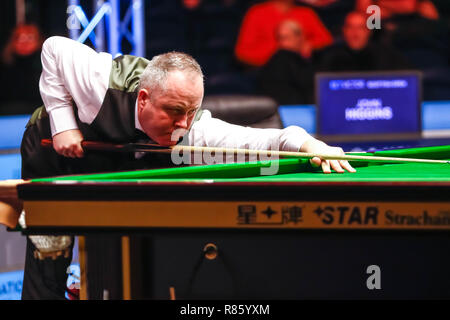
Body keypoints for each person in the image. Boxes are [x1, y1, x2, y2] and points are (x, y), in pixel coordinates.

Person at [19, 36, 355, 299]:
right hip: (56, 152)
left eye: (191, 111)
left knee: (126, 253)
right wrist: (64, 124)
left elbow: (260, 141)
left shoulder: (191, 128)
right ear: (144, 98)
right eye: (174, 110)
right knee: (50, 252)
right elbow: (53, 49)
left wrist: (311, 144)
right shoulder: (102, 82)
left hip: (121, 156)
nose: (183, 123)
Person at [234, 0, 333, 67]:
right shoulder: (256, 13)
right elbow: (242, 53)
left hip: (302, 68)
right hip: (268, 71)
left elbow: (326, 40)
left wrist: (308, 45)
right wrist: (279, 49)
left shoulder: (306, 13)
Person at [318, 11, 411, 71]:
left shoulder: (388, 56)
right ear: (343, 31)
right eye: (350, 27)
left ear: (369, 31)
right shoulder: (329, 57)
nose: (355, 33)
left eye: (360, 28)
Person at [257, 19, 315, 105]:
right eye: (280, 38)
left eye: (286, 38)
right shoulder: (281, 58)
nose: (282, 43)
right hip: (289, 108)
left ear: (300, 37)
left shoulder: (300, 58)